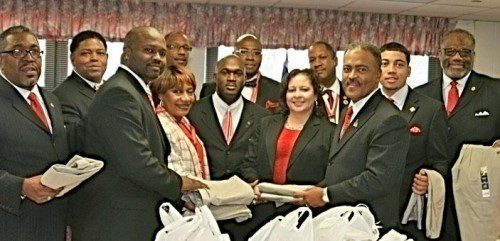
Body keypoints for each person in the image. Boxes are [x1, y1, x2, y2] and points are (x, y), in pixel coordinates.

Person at [72, 26, 205, 241]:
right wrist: (179, 183)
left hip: (131, 216)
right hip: (117, 221)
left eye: (162, 53)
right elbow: (136, 161)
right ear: (127, 54)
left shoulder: (136, 90)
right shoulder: (120, 92)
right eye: (149, 51)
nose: (157, 58)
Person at [298, 43, 410, 231]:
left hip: (370, 226)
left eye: (361, 69)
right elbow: (339, 167)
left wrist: (326, 194)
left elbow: (378, 179)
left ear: (378, 74)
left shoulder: (390, 120)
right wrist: (309, 192)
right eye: (347, 69)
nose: (352, 76)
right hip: (341, 222)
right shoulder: (346, 112)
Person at [415, 28, 500, 241]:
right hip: (431, 194)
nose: (457, 58)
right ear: (439, 53)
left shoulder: (495, 91)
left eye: (465, 52)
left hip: (479, 197)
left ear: (474, 56)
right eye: (450, 51)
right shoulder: (419, 94)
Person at [240, 68, 334, 239]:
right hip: (263, 209)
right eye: (292, 90)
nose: (297, 95)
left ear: (315, 95)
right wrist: (253, 184)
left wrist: (314, 193)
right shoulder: (265, 124)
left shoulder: (330, 132)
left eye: (304, 89)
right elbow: (248, 162)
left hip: (306, 214)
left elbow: (332, 172)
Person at [188, 54, 268, 241]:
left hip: (245, 211)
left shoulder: (262, 117)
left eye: (237, 73)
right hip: (204, 209)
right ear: (215, 77)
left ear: (245, 78)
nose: (231, 78)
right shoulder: (193, 112)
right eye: (226, 72)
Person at [0, 25, 69, 241]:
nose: (29, 58)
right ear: (1, 59)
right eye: (18, 51)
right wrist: (20, 186)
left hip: (54, 223)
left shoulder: (52, 100)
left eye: (34, 51)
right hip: (12, 226)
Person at [380, 42, 450, 240]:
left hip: (408, 212)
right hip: (367, 209)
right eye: (385, 64)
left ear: (409, 70)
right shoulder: (363, 107)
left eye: (399, 64)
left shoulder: (431, 110)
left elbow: (441, 161)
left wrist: (431, 180)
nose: (392, 70)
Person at [53, 30, 108, 153]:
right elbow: (77, 140)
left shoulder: (114, 89)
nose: (94, 58)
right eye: (86, 53)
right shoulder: (62, 96)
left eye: (100, 53)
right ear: (73, 59)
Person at [150, 65, 209, 179]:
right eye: (177, 92)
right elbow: (177, 177)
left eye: (190, 92)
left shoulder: (183, 121)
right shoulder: (162, 125)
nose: (186, 98)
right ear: (160, 94)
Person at [200, 34, 280, 110]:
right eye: (244, 52)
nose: (250, 57)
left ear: (261, 57)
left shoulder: (277, 89)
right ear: (234, 54)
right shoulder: (209, 89)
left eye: (256, 53)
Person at [308, 41, 349, 124]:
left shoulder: (350, 93)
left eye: (322, 57)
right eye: (312, 60)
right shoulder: (308, 97)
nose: (317, 64)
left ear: (335, 61)